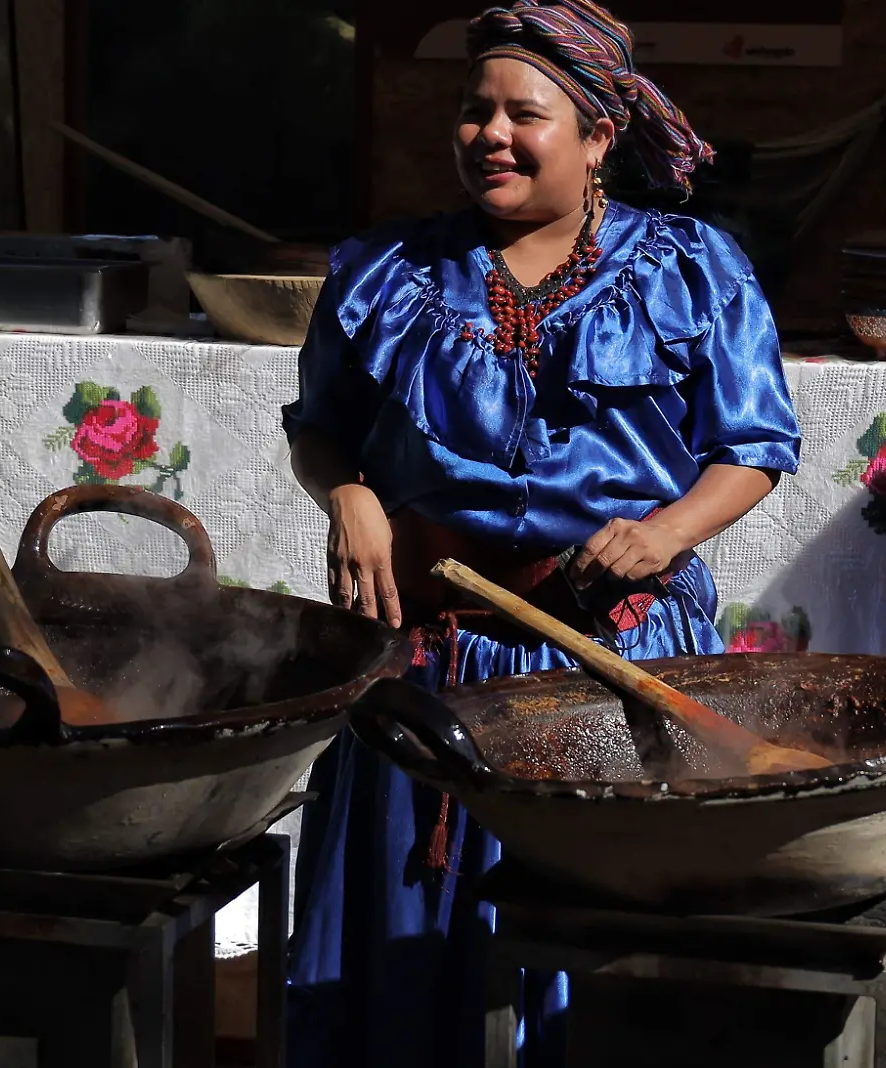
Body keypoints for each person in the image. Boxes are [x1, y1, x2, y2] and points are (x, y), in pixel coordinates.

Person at [280, 2, 802, 1065]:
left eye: (526, 115)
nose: (491, 136)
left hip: (611, 657)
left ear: (600, 134)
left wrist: (663, 535)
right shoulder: (385, 274)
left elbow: (752, 446)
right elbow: (318, 429)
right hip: (432, 663)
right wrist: (348, 496)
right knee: (412, 947)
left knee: (588, 955)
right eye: (475, 113)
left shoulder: (693, 267)